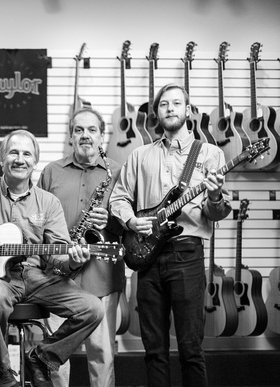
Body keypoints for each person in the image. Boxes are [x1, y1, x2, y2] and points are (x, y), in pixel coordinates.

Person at [0, 129, 104, 387]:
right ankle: (2, 372)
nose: (19, 159)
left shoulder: (48, 203)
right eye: (13, 152)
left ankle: (42, 357)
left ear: (35, 162)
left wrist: (74, 261)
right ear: (2, 159)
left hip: (36, 276)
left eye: (26, 154)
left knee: (93, 308)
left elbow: (57, 255)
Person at [109, 83, 232, 387]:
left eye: (177, 103)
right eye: (164, 104)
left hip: (186, 254)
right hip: (147, 256)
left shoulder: (211, 155)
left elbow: (216, 213)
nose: (170, 109)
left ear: (188, 111)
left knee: (191, 349)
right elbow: (118, 199)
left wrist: (215, 196)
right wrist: (130, 221)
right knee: (154, 350)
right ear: (157, 112)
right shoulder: (140, 155)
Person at [37, 106, 124, 387]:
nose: (85, 135)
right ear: (70, 137)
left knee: (102, 353)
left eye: (91, 130)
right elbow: (36, 221)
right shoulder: (51, 172)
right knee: (56, 356)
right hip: (57, 276)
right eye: (78, 130)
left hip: (101, 274)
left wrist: (112, 220)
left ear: (102, 136)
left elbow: (132, 225)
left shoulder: (119, 173)